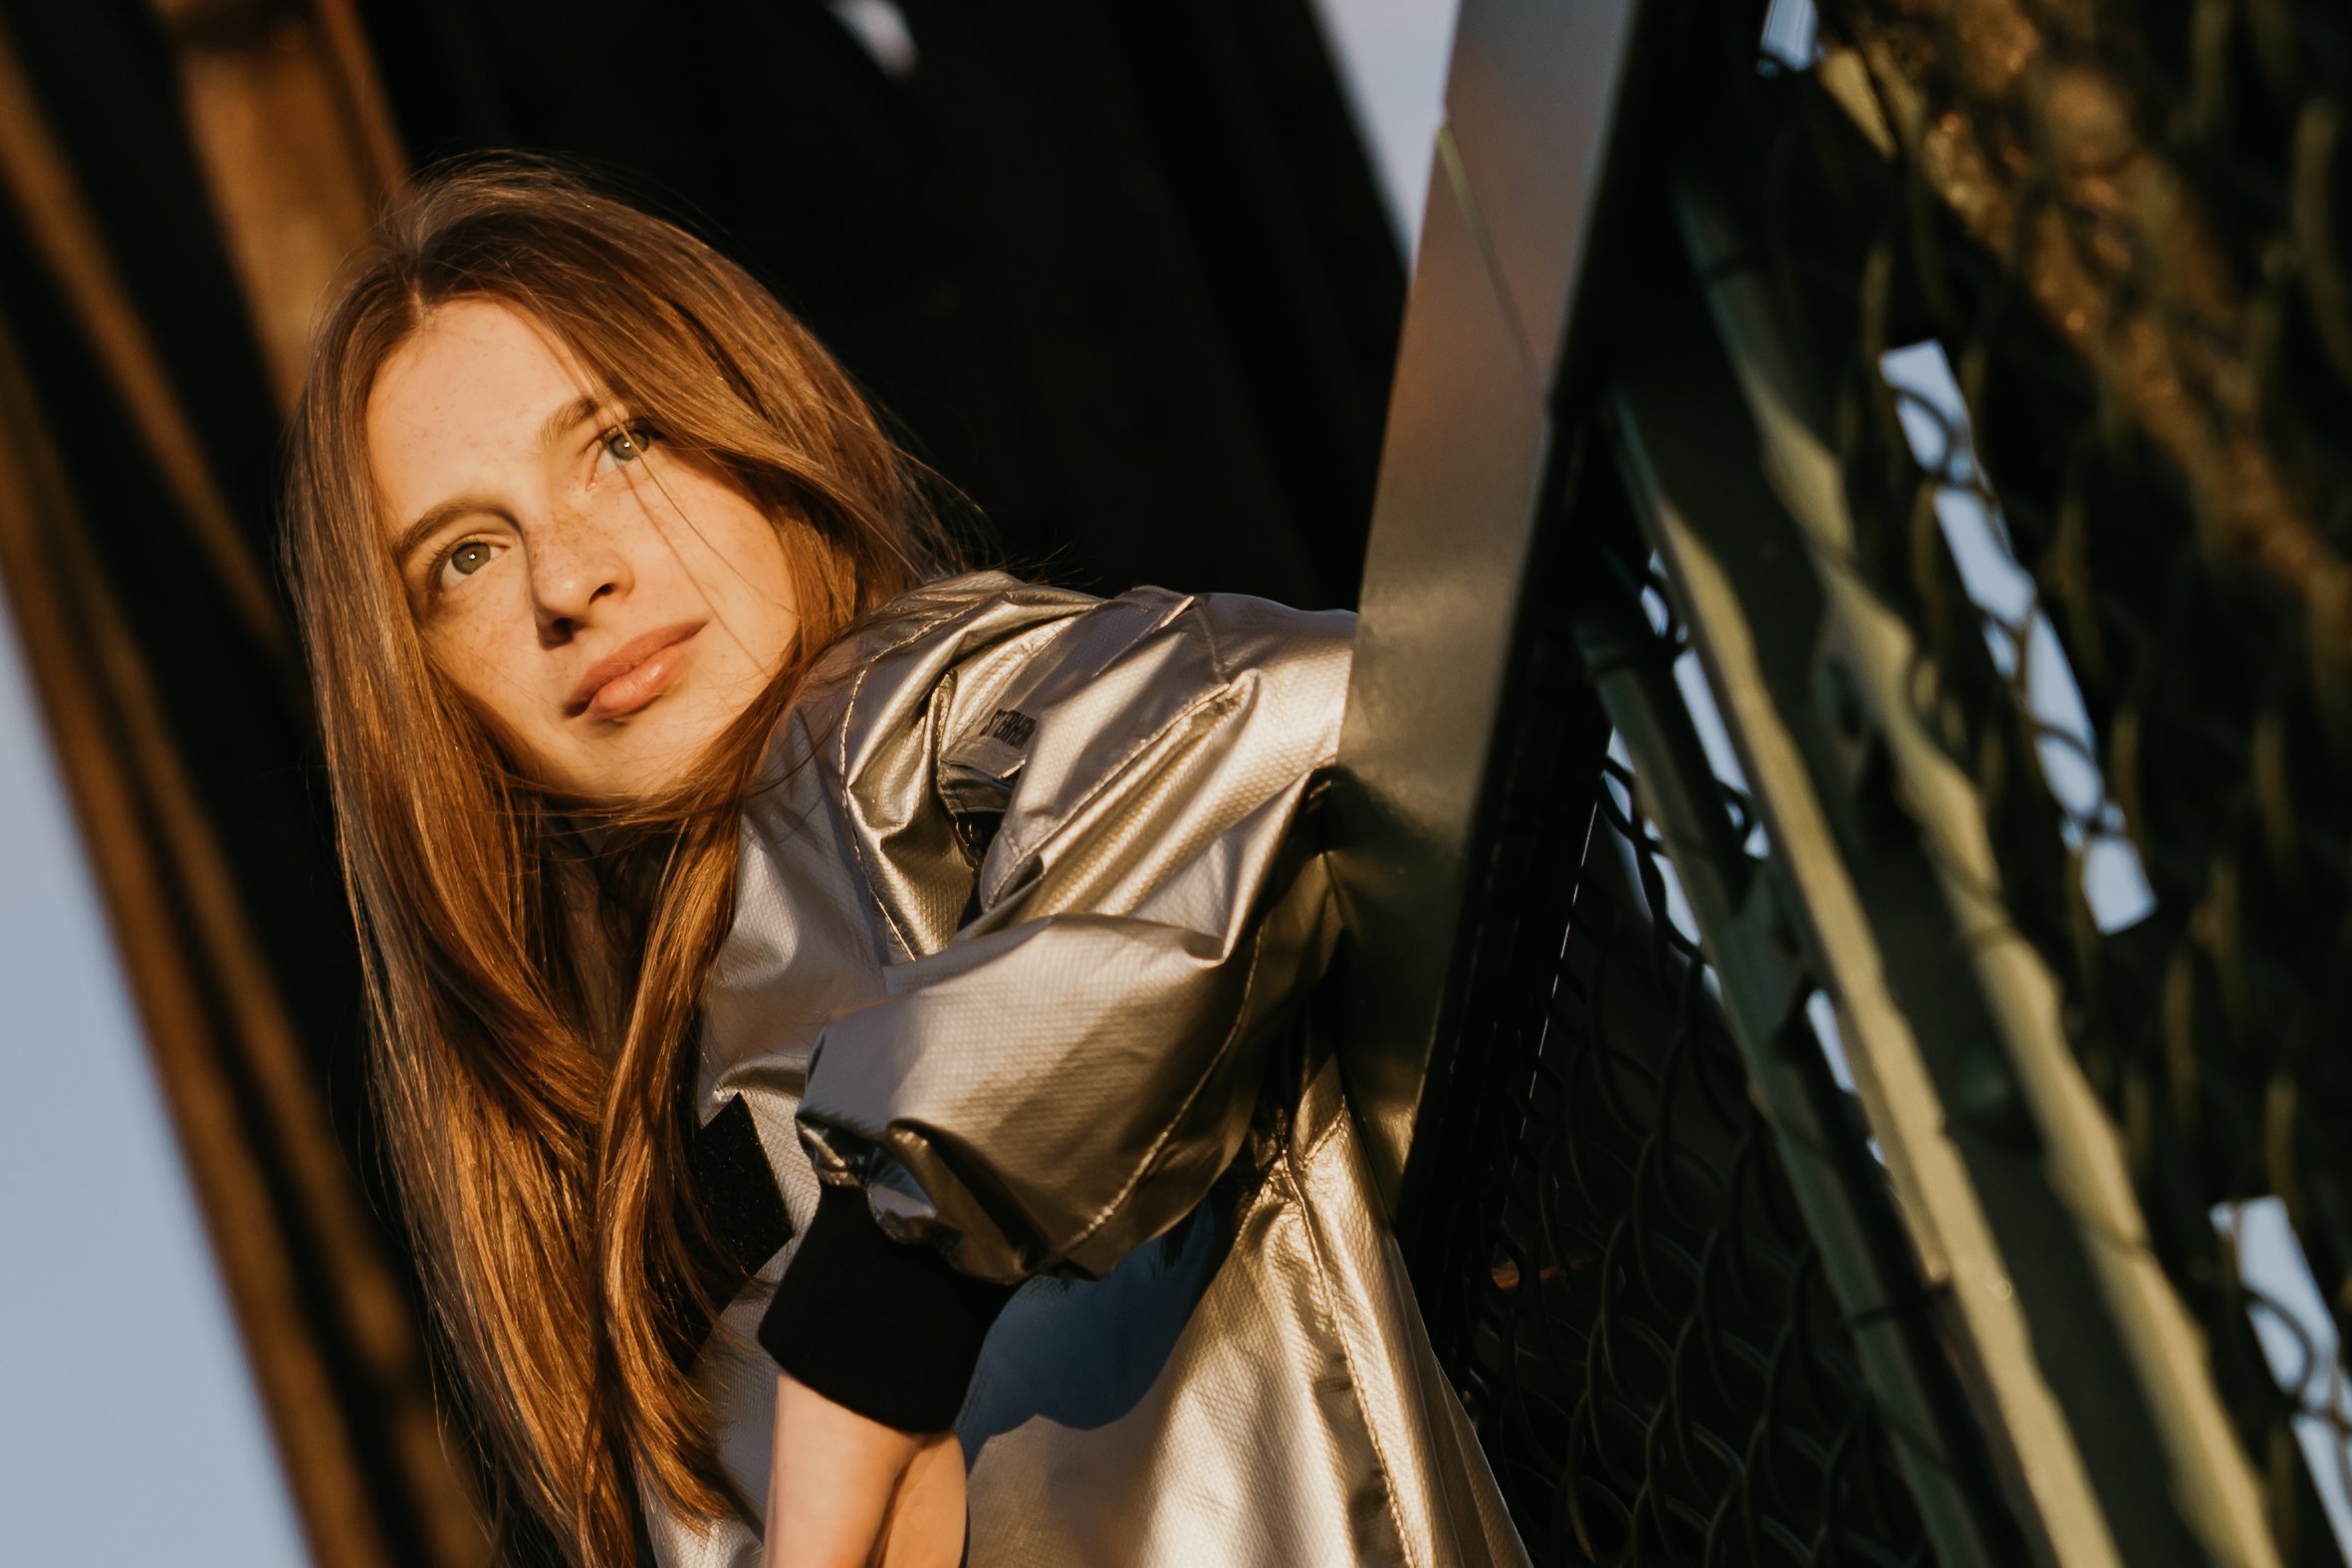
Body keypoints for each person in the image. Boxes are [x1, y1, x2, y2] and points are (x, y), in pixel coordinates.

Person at [282, 159, 1526, 1568]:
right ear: (421, 687)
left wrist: (889, 1298)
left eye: (618, 443)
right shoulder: (609, 1141)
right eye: (464, 556)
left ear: (747, 425)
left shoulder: (898, 729)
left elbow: (1291, 708)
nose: (569, 580)